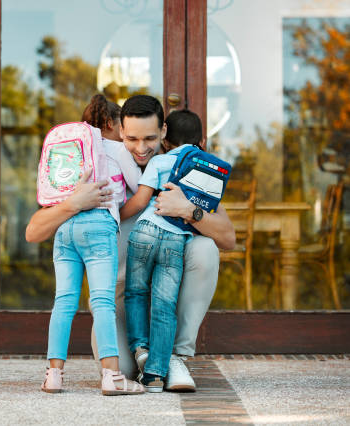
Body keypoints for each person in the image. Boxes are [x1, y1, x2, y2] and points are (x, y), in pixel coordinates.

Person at [26, 95, 235, 392]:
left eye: (150, 138)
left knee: (205, 249)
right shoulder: (103, 171)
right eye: (132, 139)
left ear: (163, 133)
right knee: (122, 369)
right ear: (119, 132)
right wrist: (74, 204)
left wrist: (188, 209)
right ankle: (142, 357)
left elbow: (228, 238)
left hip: (167, 297)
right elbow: (33, 232)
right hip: (119, 304)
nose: (141, 148)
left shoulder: (181, 173)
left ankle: (173, 355)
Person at [39, 95, 144, 396]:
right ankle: (112, 376)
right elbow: (137, 185)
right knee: (102, 302)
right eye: (121, 128)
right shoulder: (114, 147)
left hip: (65, 225)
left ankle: (53, 376)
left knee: (64, 302)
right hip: (98, 225)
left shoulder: (70, 151)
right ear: (111, 124)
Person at [119, 108, 208, 392]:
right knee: (164, 305)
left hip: (145, 232)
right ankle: (156, 376)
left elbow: (139, 202)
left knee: (135, 292)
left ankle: (141, 349)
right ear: (202, 142)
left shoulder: (159, 161)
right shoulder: (206, 170)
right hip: (175, 240)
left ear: (166, 139)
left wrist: (112, 214)